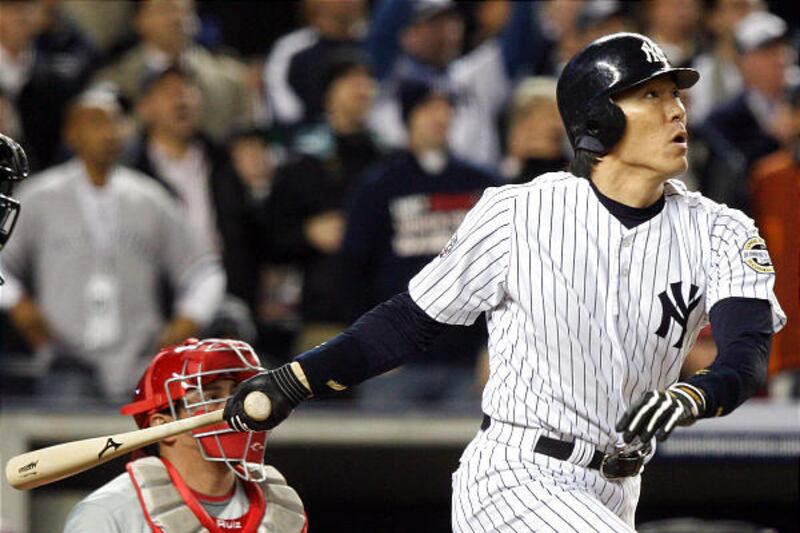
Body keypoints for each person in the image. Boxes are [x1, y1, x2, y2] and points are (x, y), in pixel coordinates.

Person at [223, 33, 786, 531]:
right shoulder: (518, 213)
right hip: (516, 477)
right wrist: (295, 381)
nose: (676, 111)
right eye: (651, 96)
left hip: (617, 487)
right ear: (597, 121)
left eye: (677, 95)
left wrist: (696, 393)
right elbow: (405, 323)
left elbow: (746, 352)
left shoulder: (720, 229)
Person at [0, 89, 225, 401]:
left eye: (116, 122)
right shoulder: (40, 196)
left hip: (141, 363)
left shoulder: (151, 198)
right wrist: (18, 305)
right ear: (71, 132)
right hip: (64, 362)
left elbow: (205, 270)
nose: (109, 132)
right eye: (96, 122)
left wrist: (188, 318)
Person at [338, 79, 498, 408]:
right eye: (428, 107)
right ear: (408, 116)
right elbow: (352, 270)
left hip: (468, 362)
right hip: (394, 363)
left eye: (446, 107)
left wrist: (493, 347)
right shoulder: (378, 186)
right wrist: (370, 344)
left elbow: (502, 271)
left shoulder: (482, 184)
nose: (440, 116)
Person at [64, 337, 307, 532]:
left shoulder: (283, 510)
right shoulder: (108, 513)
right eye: (212, 397)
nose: (239, 408)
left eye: (240, 393)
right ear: (162, 427)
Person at [126, 63, 261, 315]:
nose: (181, 98)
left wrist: (259, 190)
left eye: (188, 89)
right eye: (168, 91)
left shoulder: (227, 162)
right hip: (161, 307)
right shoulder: (131, 175)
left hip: (228, 299)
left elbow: (256, 235)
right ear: (145, 107)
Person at [268, 51, 381, 353]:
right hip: (323, 317)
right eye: (350, 81)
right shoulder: (302, 163)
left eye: (367, 81)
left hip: (382, 317)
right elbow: (271, 240)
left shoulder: (388, 161)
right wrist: (307, 233)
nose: (362, 88)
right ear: (328, 96)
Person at [92, 0, 251, 142]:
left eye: (185, 9)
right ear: (139, 20)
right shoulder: (112, 82)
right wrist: (140, 120)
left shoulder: (233, 79)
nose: (177, 18)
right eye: (165, 9)